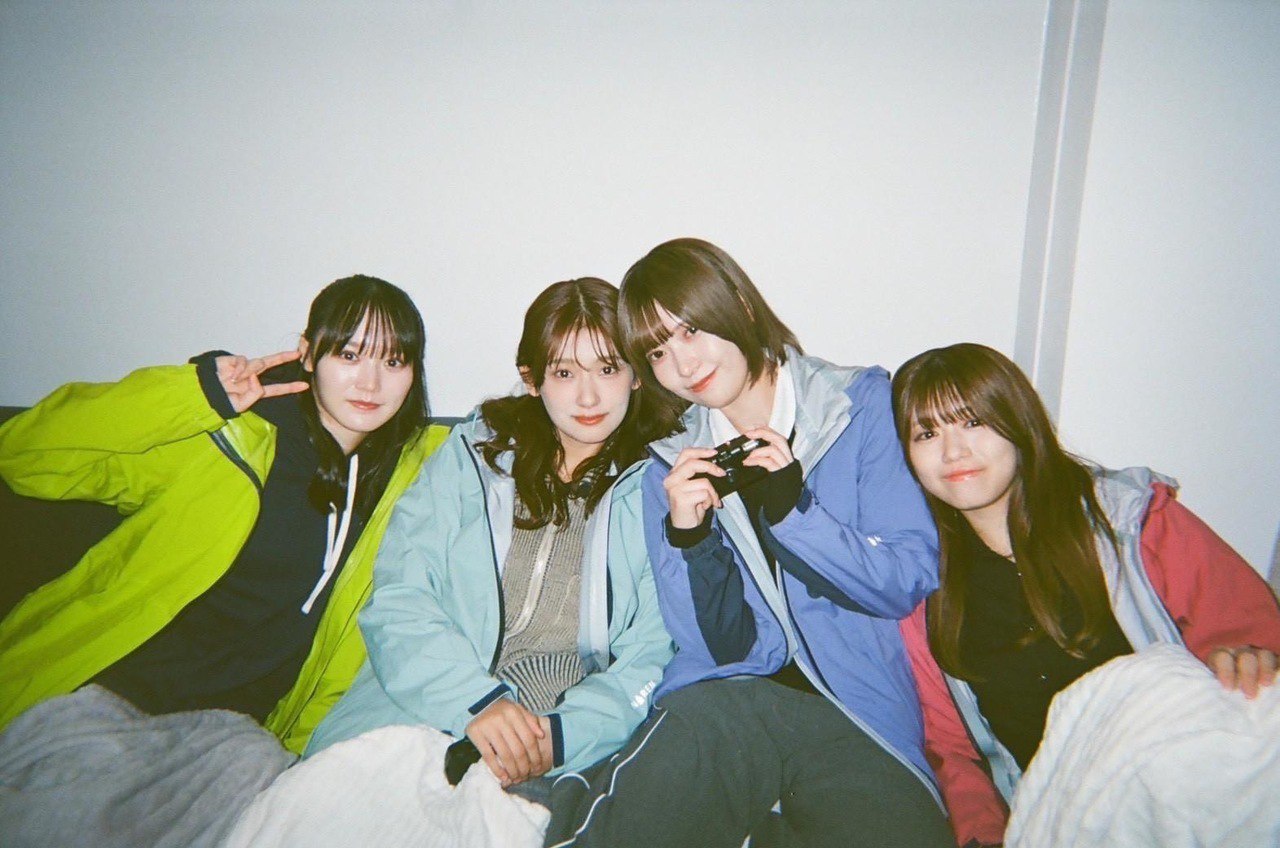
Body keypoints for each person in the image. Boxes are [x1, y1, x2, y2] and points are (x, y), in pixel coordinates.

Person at [545, 239, 954, 848]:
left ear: (736, 302)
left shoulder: (857, 405)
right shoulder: (668, 464)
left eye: (691, 330)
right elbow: (718, 647)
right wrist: (691, 539)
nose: (683, 365)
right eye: (657, 351)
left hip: (857, 709)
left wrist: (795, 514)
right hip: (727, 700)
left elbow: (904, 580)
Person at [0, 274, 449, 748]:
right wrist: (194, 396)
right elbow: (25, 457)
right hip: (109, 700)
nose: (370, 383)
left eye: (393, 361)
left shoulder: (411, 482)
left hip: (236, 740)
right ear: (307, 353)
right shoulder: (227, 440)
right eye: (349, 355)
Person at [890, 342, 1280, 846]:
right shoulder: (921, 589)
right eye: (926, 433)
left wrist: (1244, 655)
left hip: (1178, 768)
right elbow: (950, 751)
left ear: (1018, 423)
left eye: (973, 422)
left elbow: (1246, 629)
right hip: (1060, 808)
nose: (953, 452)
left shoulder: (1129, 519)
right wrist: (983, 835)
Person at [305, 278, 678, 804]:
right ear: (532, 380)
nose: (588, 397)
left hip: (555, 737)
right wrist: (478, 701)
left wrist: (564, 735)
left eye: (608, 369)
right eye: (564, 372)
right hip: (424, 705)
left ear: (636, 375)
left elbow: (654, 651)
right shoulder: (473, 456)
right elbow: (400, 598)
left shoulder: (662, 486)